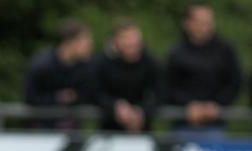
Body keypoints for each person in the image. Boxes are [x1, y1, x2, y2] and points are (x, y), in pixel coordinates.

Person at [165, 2, 240, 133]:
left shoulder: (226, 51)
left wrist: (217, 105)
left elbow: (234, 82)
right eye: (200, 22)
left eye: (208, 22)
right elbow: (167, 86)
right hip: (182, 123)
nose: (205, 27)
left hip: (215, 125)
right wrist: (187, 106)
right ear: (187, 23)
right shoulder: (176, 53)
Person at [93, 19, 162, 132]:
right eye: (126, 38)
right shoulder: (101, 63)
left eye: (134, 38)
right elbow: (95, 92)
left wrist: (142, 111)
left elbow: (159, 92)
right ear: (115, 41)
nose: (131, 43)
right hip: (109, 130)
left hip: (143, 130)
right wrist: (115, 106)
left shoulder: (151, 62)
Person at [24, 19, 94, 129]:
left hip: (71, 133)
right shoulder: (42, 65)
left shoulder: (86, 66)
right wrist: (57, 98)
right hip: (41, 133)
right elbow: (30, 98)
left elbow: (89, 96)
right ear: (69, 42)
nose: (89, 45)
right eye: (85, 41)